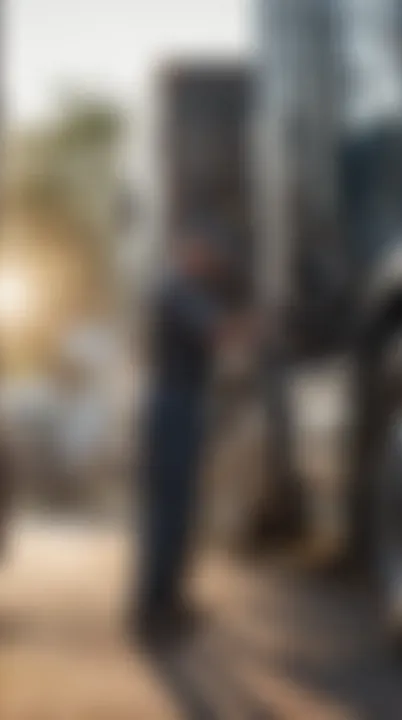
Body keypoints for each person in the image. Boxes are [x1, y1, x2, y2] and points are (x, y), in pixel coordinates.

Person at [135, 224, 249, 644]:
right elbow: (217, 332)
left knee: (175, 514)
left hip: (175, 405)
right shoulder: (177, 289)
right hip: (174, 408)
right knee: (170, 515)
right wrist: (255, 327)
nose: (210, 259)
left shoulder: (177, 288)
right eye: (204, 250)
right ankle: (154, 610)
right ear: (187, 251)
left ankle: (168, 603)